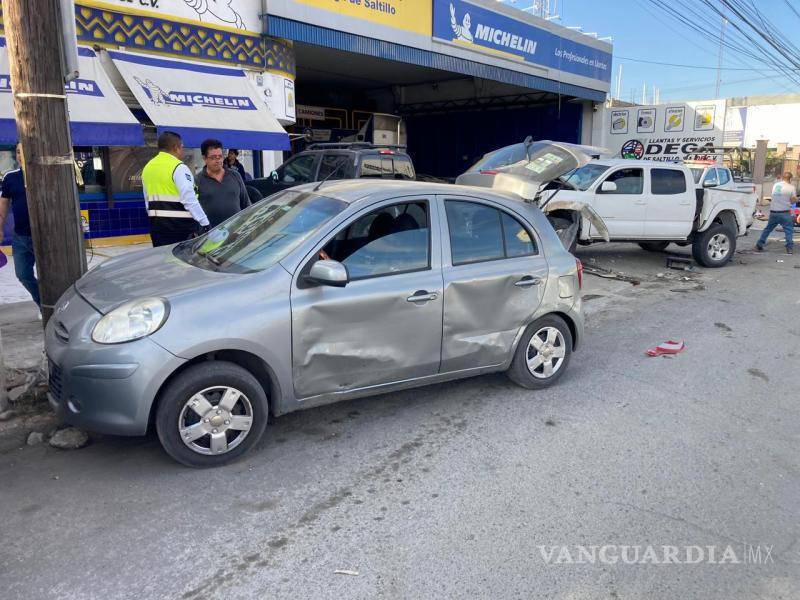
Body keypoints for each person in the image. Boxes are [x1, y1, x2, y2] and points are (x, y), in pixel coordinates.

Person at [142, 131, 210, 247]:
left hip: (157, 230)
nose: (182, 151)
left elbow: (147, 203)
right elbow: (189, 200)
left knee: (165, 263)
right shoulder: (179, 167)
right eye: (182, 147)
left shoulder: (148, 168)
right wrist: (205, 223)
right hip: (181, 231)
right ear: (176, 148)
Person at [0, 144, 40, 306]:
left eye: (23, 152)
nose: (20, 156)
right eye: (17, 152)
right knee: (23, 274)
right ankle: (43, 304)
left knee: (52, 275)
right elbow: (3, 205)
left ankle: (53, 307)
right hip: (21, 236)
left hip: (45, 235)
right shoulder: (10, 177)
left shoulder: (43, 175)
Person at [196, 139, 251, 227]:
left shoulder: (235, 176)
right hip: (210, 235)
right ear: (204, 158)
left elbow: (246, 204)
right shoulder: (197, 180)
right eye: (213, 157)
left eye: (220, 156)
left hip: (237, 233)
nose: (218, 160)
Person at [756, 172, 796, 255]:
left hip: (773, 212)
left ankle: (760, 244)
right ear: (790, 179)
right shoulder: (791, 187)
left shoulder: (776, 185)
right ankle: (789, 248)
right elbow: (793, 201)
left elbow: (775, 196)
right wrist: (797, 199)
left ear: (782, 178)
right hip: (784, 212)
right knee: (788, 230)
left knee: (768, 229)